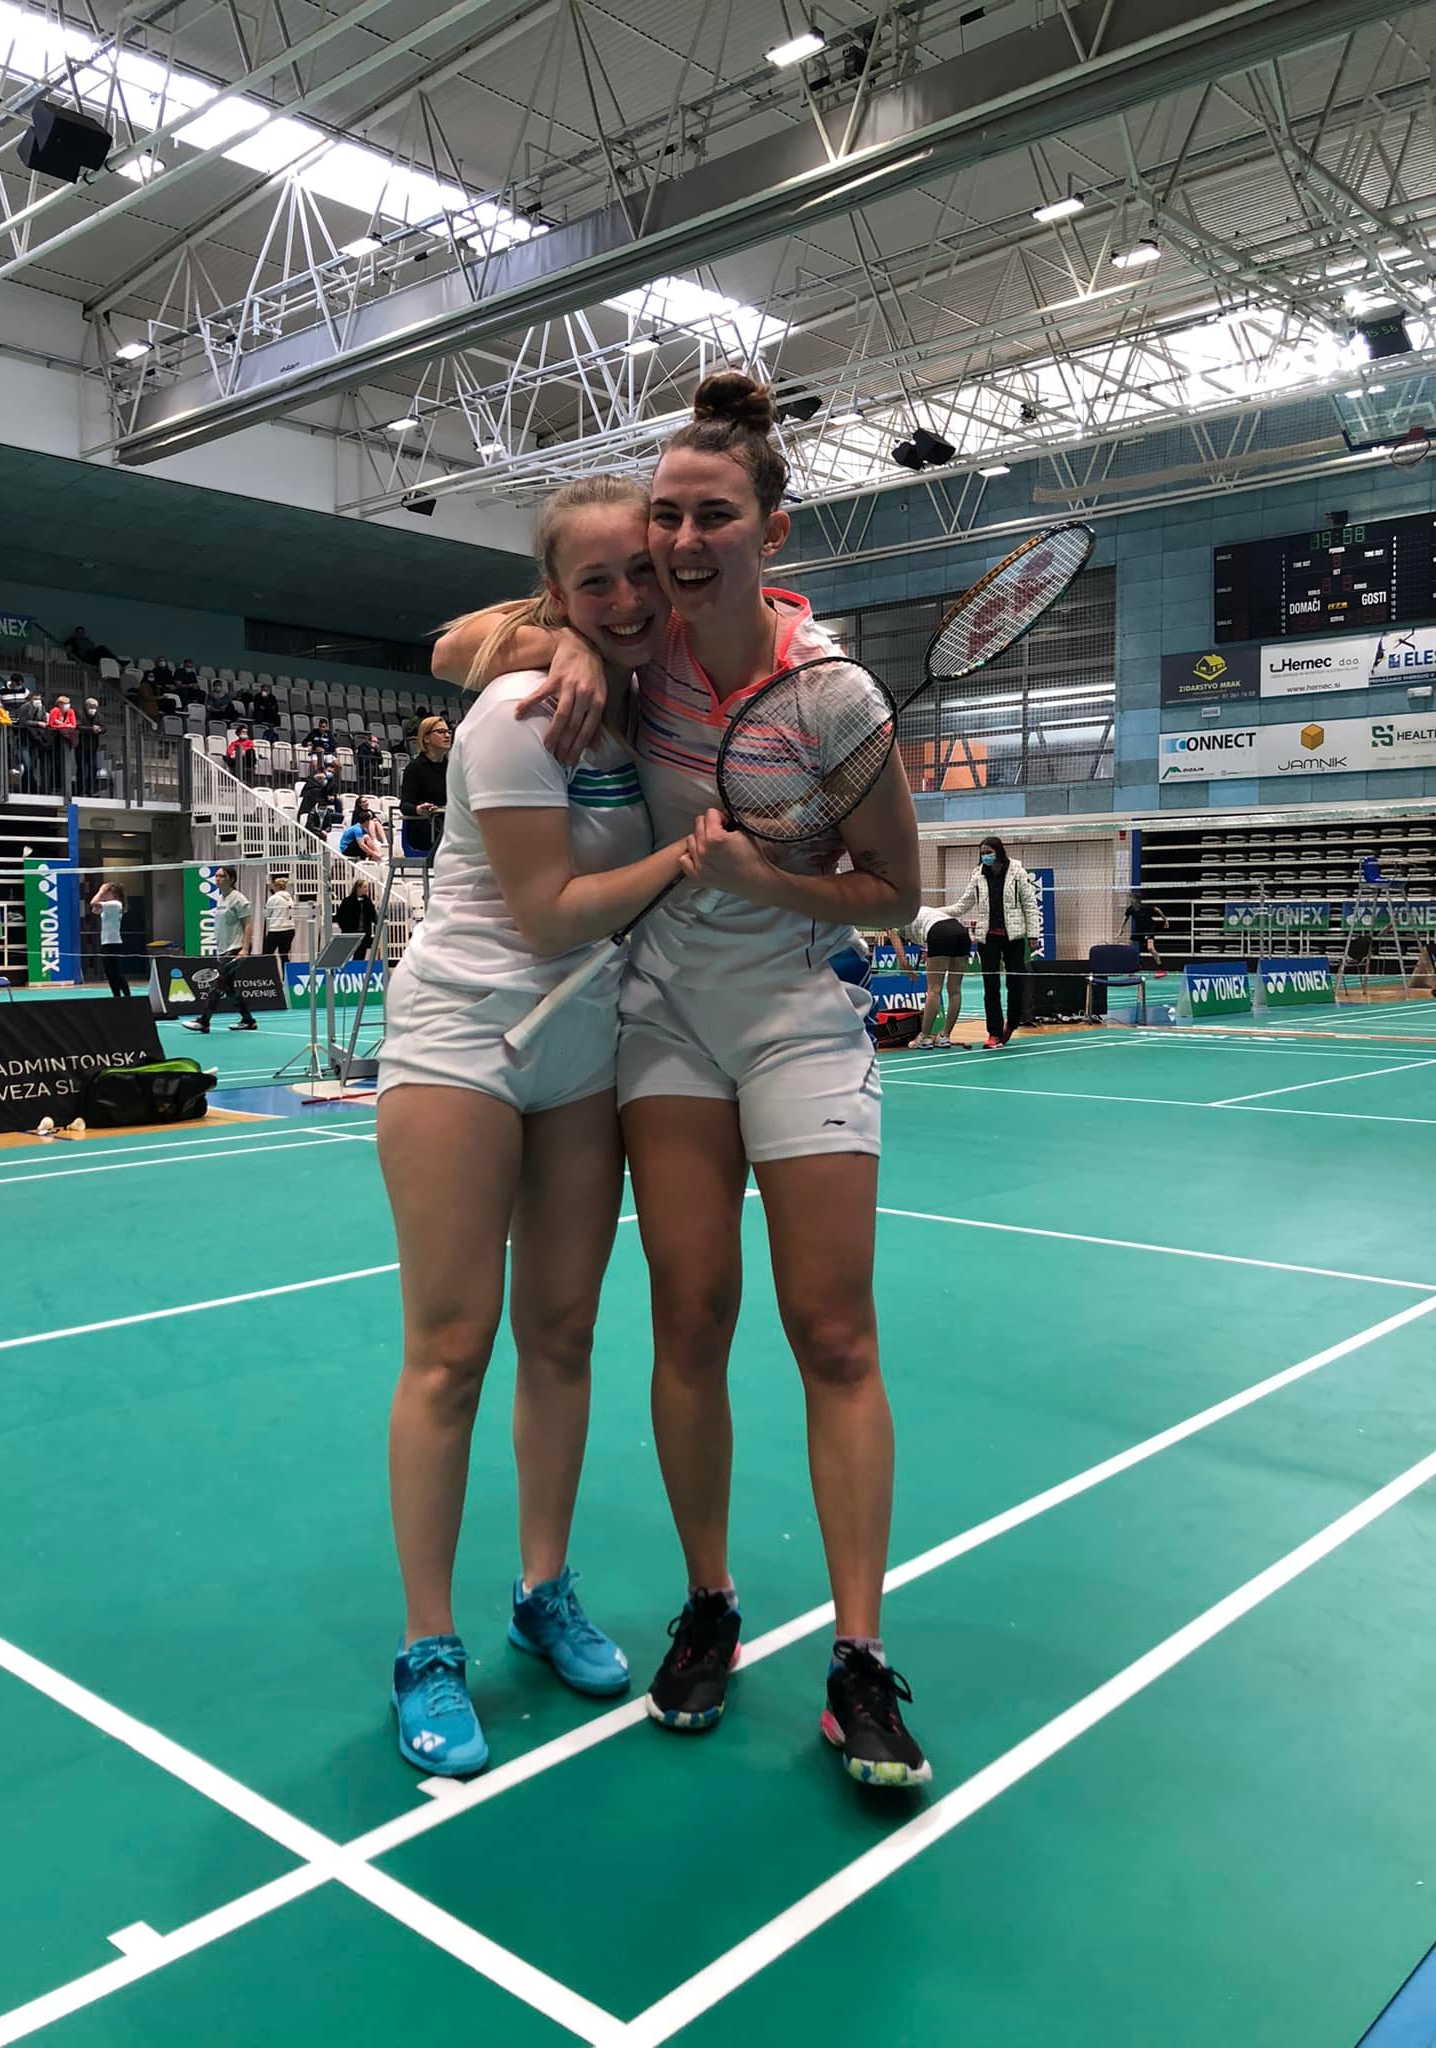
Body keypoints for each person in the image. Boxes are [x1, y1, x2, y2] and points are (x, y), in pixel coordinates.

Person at [434, 373, 929, 1788]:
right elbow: (458, 643)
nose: (684, 539)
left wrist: (769, 880)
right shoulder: (633, 653)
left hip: (792, 1014)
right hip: (660, 1023)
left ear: (772, 531)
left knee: (832, 1332)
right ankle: (710, 1604)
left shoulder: (835, 694)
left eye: (713, 516)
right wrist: (564, 646)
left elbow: (895, 892)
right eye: (667, 517)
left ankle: (859, 1657)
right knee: (690, 1316)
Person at [377, 475, 690, 1778]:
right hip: (463, 1033)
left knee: (562, 1332)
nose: (624, 598)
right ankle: (426, 1644)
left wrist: (580, 641)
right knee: (452, 1347)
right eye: (592, 583)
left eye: (641, 572)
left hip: (582, 1043)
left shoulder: (655, 697)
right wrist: (688, 857)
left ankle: (542, 1588)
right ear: (556, 593)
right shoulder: (520, 710)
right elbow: (549, 910)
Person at [940, 836, 1042, 1048]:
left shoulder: (1017, 872)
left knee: (1015, 984)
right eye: (982, 853)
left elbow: (1030, 905)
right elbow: (963, 905)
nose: (985, 856)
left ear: (998, 851)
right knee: (991, 986)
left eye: (988, 852)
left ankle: (1011, 1022)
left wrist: (1033, 935)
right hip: (988, 939)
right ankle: (994, 1033)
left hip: (1014, 937)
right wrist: (934, 912)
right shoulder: (978, 875)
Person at [180, 865, 257, 1034]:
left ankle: (203, 1021)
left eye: (222, 876)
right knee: (228, 988)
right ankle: (248, 1020)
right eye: (216, 876)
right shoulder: (221, 898)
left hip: (235, 948)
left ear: (231, 879)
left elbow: (248, 925)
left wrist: (245, 949)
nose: (217, 879)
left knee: (217, 984)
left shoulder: (238, 899)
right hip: (223, 949)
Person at [883, 907, 972, 1049]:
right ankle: (944, 1036)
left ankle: (924, 1037)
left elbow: (902, 958)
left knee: (934, 990)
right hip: (961, 932)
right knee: (955, 990)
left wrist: (910, 973)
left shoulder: (890, 923)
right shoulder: (916, 910)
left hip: (939, 933)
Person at [399, 713, 451, 858]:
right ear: (426, 738)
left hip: (446, 826)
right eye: (441, 732)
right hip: (424, 829)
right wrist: (418, 810)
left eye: (448, 732)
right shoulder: (415, 768)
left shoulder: (452, 767)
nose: (447, 735)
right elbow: (405, 805)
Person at [90, 880, 131, 998]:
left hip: (113, 942)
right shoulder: (109, 905)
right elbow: (95, 911)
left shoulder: (115, 904)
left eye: (107, 892)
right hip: (106, 942)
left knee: (115, 972)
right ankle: (116, 996)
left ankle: (127, 996)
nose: (105, 894)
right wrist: (103, 896)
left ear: (113, 893)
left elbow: (93, 903)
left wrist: (101, 891)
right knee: (109, 972)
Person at [1122, 887, 1168, 974]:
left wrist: (1165, 920)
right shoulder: (1130, 909)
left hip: (1149, 929)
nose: (1130, 899)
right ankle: (1136, 966)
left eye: (1132, 898)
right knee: (1131, 948)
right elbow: (1125, 918)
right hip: (1139, 930)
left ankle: (1161, 969)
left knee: (1150, 948)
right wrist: (1121, 929)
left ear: (1137, 900)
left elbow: (1157, 909)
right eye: (1130, 898)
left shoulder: (1145, 907)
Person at [334, 875, 377, 960]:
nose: (367, 889)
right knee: (346, 957)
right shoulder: (347, 901)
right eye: (365, 887)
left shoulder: (367, 901)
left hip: (364, 934)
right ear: (358, 888)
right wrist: (345, 927)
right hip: (350, 933)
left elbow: (373, 915)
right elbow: (339, 916)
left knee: (360, 957)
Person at [340, 797, 388, 865]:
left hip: (355, 845)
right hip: (346, 849)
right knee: (366, 838)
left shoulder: (363, 828)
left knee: (367, 838)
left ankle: (378, 855)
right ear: (366, 821)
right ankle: (377, 856)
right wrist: (374, 854)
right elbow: (362, 845)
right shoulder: (357, 829)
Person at [262, 874, 295, 961]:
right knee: (284, 955)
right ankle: (286, 970)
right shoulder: (290, 899)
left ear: (275, 886)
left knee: (266, 954)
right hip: (290, 929)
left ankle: (267, 969)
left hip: (276, 929)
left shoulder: (273, 898)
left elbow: (266, 914)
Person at [79, 696, 105, 794]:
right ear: (86, 706)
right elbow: (78, 727)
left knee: (93, 767)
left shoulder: (99, 716)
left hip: (93, 746)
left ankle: (91, 789)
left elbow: (104, 728)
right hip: (81, 745)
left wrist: (99, 729)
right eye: (92, 706)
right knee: (81, 768)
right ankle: (81, 789)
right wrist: (91, 729)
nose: (93, 708)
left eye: (95, 707)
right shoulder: (80, 714)